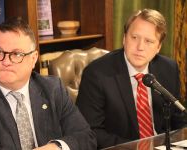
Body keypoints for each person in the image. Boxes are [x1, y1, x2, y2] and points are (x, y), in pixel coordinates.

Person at [0, 17, 96, 150]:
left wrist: (56, 147)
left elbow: (86, 138)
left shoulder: (52, 88)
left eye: (16, 54)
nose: (6, 61)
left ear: (33, 59)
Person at [76, 8, 186, 149]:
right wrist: (137, 147)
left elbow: (179, 120)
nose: (140, 47)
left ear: (158, 47)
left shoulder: (168, 68)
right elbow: (90, 132)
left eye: (149, 41)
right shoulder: (97, 74)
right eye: (134, 37)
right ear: (124, 38)